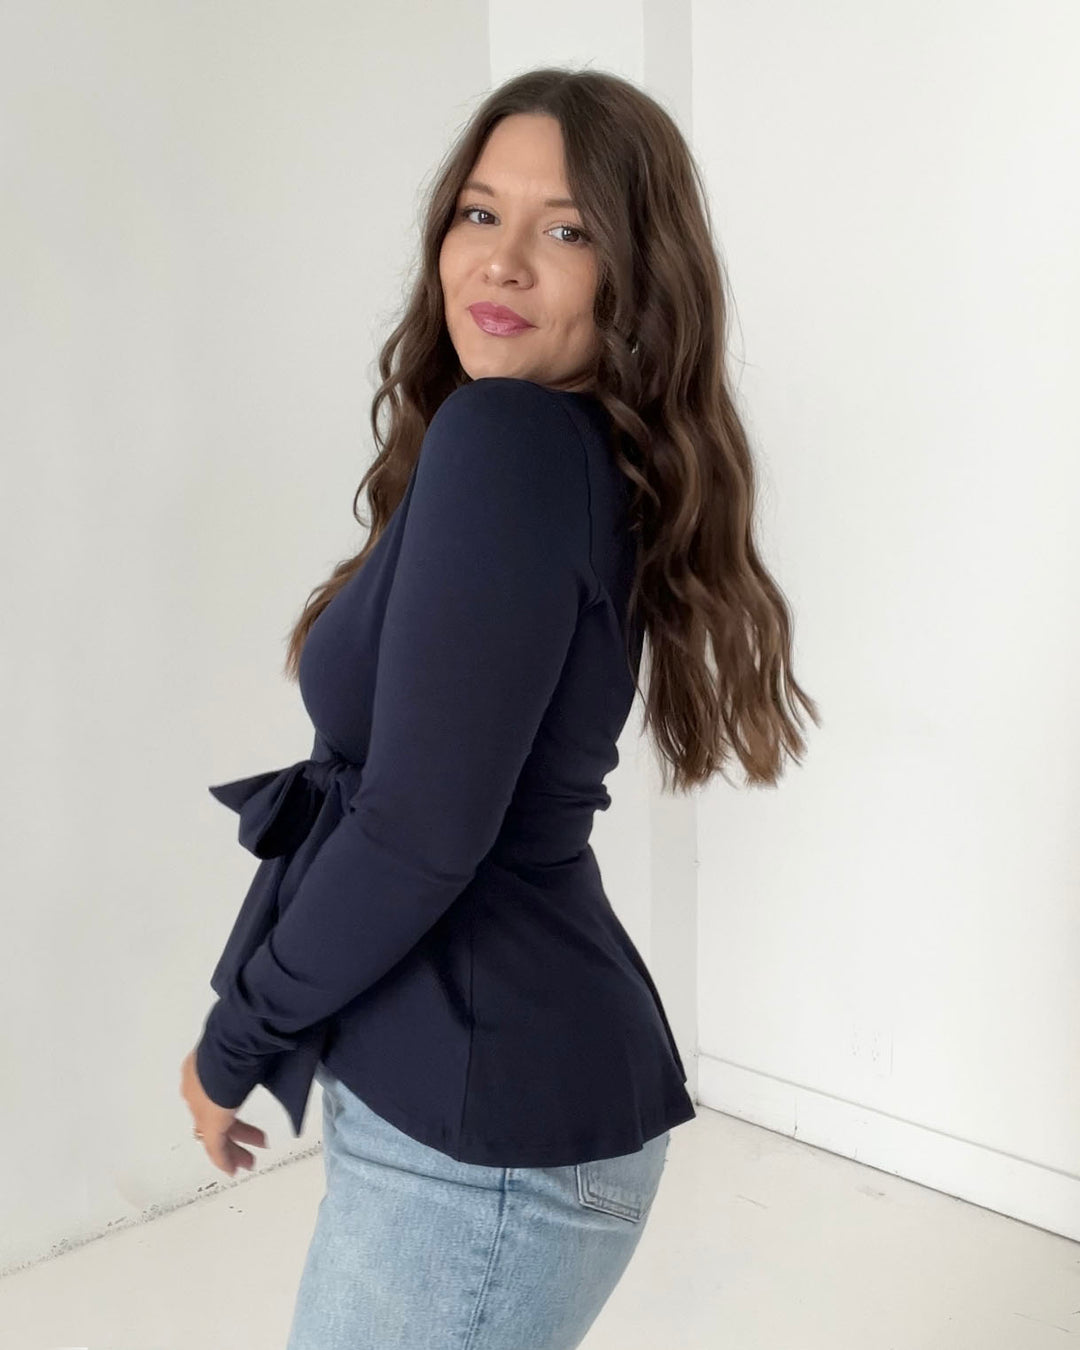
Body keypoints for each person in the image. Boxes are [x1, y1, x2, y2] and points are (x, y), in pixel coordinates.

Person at [179, 66, 819, 1350]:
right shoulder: (532, 448)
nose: (505, 260)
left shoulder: (512, 443)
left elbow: (418, 830)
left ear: (631, 279)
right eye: (480, 213)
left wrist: (235, 1038)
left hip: (484, 1157)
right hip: (480, 1113)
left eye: (566, 230)